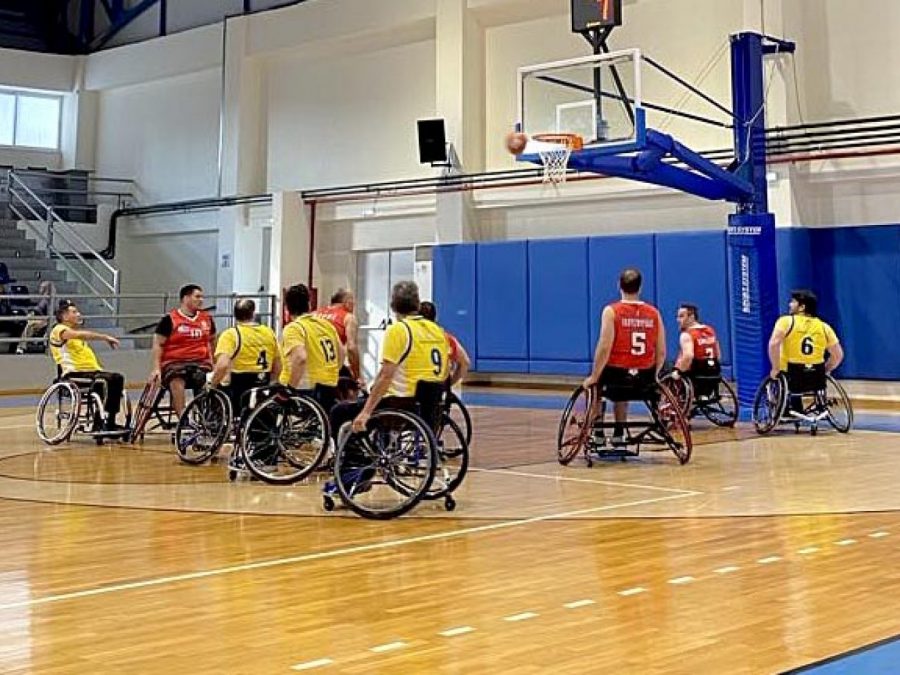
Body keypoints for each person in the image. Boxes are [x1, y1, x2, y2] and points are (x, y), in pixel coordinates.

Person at [582, 268, 666, 445]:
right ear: (640, 287)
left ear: (619, 285)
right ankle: (619, 432)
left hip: (617, 374)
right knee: (625, 387)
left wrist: (594, 376)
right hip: (644, 377)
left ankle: (598, 432)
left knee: (595, 385)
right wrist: (655, 375)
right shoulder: (654, 313)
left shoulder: (612, 311)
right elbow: (661, 352)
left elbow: (605, 347)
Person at [49, 300, 126, 433]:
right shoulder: (59, 330)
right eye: (74, 312)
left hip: (91, 373)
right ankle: (101, 422)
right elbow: (80, 334)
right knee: (105, 381)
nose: (79, 314)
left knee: (117, 378)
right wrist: (105, 337)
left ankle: (109, 421)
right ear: (64, 316)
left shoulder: (75, 335)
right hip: (73, 374)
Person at [149, 284, 217, 418]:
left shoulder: (207, 319)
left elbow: (213, 341)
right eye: (197, 297)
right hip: (174, 363)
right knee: (177, 378)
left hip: (200, 362)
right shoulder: (169, 319)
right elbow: (158, 344)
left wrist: (215, 363)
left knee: (205, 378)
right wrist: (156, 368)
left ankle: (205, 416)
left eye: (202, 297)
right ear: (186, 298)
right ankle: (183, 417)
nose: (201, 300)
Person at [211, 298, 282, 416]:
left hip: (239, 387)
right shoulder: (269, 333)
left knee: (216, 385)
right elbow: (278, 363)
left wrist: (212, 384)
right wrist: (273, 381)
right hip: (263, 382)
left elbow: (222, 365)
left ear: (235, 315)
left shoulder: (230, 335)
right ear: (253, 313)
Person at [280, 284, 343, 413]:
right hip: (330, 385)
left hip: (305, 387)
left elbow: (300, 358)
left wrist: (290, 388)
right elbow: (341, 354)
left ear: (287, 309)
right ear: (309, 305)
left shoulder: (294, 328)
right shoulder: (327, 325)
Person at [768, 290, 844, 394]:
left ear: (802, 307)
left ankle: (789, 403)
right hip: (816, 376)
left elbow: (774, 344)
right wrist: (825, 370)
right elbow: (838, 355)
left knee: (780, 380)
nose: (790, 304)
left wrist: (775, 368)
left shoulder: (786, 321)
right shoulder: (824, 327)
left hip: (791, 374)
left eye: (793, 302)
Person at [314, 289, 364, 394]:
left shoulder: (315, 314)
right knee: (352, 390)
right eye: (353, 301)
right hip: (331, 367)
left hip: (312, 366)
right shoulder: (348, 317)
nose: (354, 305)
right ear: (346, 302)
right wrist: (358, 376)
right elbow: (351, 348)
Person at [419, 301, 470, 387]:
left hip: (416, 388)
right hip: (438, 388)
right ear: (436, 318)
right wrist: (449, 384)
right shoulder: (446, 338)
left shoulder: (412, 339)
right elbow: (465, 362)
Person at [16, 281, 55, 355]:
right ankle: (21, 347)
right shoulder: (43, 299)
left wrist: (45, 320)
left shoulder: (55, 299)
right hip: (44, 319)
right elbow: (38, 309)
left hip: (54, 320)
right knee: (30, 324)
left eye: (42, 288)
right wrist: (32, 313)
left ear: (47, 289)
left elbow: (57, 313)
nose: (40, 289)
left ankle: (47, 347)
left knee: (36, 324)